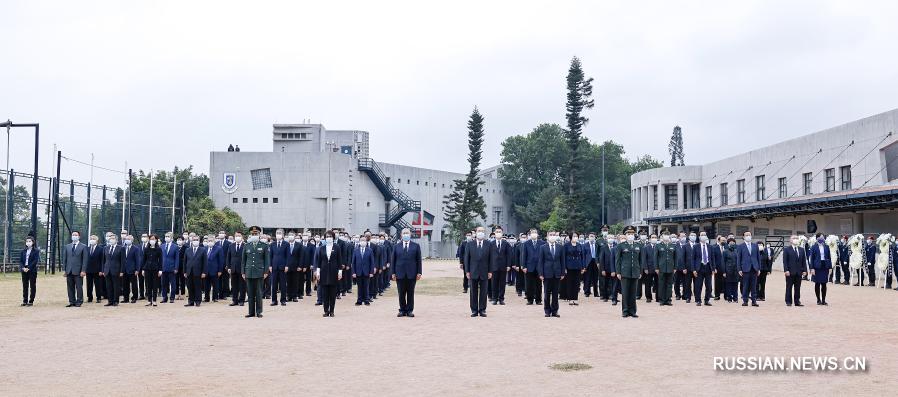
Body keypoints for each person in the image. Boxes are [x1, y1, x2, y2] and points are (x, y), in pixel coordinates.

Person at [464, 226, 494, 317]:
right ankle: (474, 310)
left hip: (485, 271)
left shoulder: (488, 244)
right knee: (473, 292)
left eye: (482, 231)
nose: (481, 232)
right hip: (473, 271)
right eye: (479, 231)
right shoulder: (470, 244)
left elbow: (491, 259)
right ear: (475, 233)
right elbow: (467, 258)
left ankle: (482, 310)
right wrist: (467, 271)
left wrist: (490, 271)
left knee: (484, 292)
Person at [393, 228, 422, 317]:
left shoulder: (416, 246)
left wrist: (419, 272)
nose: (406, 235)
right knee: (401, 293)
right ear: (401, 235)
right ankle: (402, 310)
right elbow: (393, 260)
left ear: (410, 234)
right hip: (399, 273)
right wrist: (393, 273)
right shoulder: (396, 246)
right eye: (404, 233)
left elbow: (419, 260)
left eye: (407, 233)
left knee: (410, 293)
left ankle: (409, 310)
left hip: (412, 273)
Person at [242, 226, 269, 317]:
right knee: (250, 293)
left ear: (259, 234)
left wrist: (265, 272)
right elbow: (243, 260)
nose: (254, 235)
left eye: (256, 234)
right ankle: (251, 312)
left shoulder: (264, 245)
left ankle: (259, 311)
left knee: (258, 293)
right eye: (252, 234)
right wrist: (243, 272)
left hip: (259, 272)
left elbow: (267, 260)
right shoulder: (246, 245)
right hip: (249, 272)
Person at [615, 226, 642, 318]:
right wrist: (618, 272)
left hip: (635, 271)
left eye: (632, 234)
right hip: (624, 272)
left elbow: (641, 260)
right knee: (625, 292)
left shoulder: (638, 245)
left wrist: (640, 272)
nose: (630, 235)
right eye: (628, 234)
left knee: (633, 293)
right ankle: (625, 311)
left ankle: (633, 311)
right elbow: (618, 260)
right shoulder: (621, 246)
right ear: (625, 235)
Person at [538, 231, 566, 317]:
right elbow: (540, 261)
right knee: (547, 293)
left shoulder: (560, 247)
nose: (552, 236)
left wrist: (562, 273)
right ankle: (547, 311)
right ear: (547, 236)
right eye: (551, 235)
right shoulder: (543, 247)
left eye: (554, 235)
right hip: (547, 273)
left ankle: (555, 311)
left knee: (555, 294)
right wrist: (541, 273)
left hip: (557, 273)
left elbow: (562, 261)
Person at [316, 231, 342, 317]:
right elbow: (319, 261)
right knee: (325, 293)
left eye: (330, 236)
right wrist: (318, 272)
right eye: (327, 236)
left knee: (332, 293)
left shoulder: (337, 247)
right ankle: (326, 310)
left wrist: (340, 271)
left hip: (333, 272)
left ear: (333, 237)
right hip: (323, 272)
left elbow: (339, 261)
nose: (329, 238)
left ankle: (332, 311)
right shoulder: (322, 248)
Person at [63, 231, 88, 307]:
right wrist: (65, 270)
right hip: (69, 270)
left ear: (79, 237)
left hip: (78, 271)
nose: (74, 236)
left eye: (76, 235)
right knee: (70, 287)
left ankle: (79, 301)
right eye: (73, 235)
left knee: (79, 286)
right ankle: (71, 301)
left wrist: (83, 270)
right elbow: (65, 259)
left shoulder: (83, 246)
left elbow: (85, 260)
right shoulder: (67, 246)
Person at [736, 231, 761, 307]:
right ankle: (745, 301)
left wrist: (759, 268)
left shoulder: (755, 246)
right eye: (746, 235)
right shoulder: (740, 246)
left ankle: (754, 301)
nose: (748, 236)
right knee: (745, 285)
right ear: (743, 237)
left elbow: (758, 258)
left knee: (754, 286)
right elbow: (739, 259)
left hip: (754, 268)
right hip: (745, 269)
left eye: (749, 235)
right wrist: (739, 269)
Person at [183, 234, 207, 307]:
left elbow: (205, 262)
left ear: (199, 241)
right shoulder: (187, 250)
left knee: (198, 287)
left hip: (198, 272)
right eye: (194, 240)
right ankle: (191, 301)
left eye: (197, 240)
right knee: (190, 287)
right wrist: (184, 271)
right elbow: (185, 261)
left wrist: (204, 272)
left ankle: (198, 301)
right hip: (189, 271)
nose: (195, 241)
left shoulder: (202, 250)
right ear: (191, 241)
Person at [691, 232, 715, 306]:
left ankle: (707, 300)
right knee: (698, 285)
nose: (704, 236)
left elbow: (712, 258)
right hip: (699, 267)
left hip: (708, 267)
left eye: (705, 235)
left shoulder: (710, 247)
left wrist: (713, 269)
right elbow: (692, 259)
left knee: (709, 286)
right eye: (702, 235)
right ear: (699, 237)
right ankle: (698, 300)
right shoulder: (695, 246)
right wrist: (694, 269)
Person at [520, 229, 543, 305]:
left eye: (535, 232)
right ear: (530, 234)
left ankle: (538, 300)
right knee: (529, 284)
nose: (534, 234)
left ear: (537, 234)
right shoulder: (526, 243)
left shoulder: (542, 243)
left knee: (538, 284)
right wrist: (524, 266)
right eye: (532, 233)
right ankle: (530, 300)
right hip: (529, 266)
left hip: (539, 267)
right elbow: (524, 255)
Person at [782, 235, 807, 307]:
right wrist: (786, 270)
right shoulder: (787, 249)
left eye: (796, 238)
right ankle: (788, 301)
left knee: (798, 287)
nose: (795, 239)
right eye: (794, 238)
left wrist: (804, 270)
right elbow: (785, 261)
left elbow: (803, 261)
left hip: (799, 272)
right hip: (790, 272)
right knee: (789, 287)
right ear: (790, 240)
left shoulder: (801, 249)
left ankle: (797, 301)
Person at [351, 235, 375, 306]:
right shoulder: (356, 250)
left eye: (364, 241)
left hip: (367, 272)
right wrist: (353, 272)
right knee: (359, 286)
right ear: (359, 241)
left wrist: (371, 272)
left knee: (366, 286)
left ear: (366, 242)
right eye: (361, 240)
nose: (363, 242)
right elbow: (353, 262)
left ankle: (366, 300)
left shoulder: (369, 250)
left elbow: (372, 262)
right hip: (358, 272)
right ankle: (359, 300)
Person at [491, 227, 512, 306]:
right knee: (494, 283)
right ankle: (494, 299)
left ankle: (501, 299)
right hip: (494, 266)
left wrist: (508, 265)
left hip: (503, 266)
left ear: (502, 233)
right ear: (494, 233)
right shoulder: (491, 243)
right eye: (497, 231)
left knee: (502, 284)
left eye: (500, 231)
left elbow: (509, 255)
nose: (498, 233)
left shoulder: (506, 243)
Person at [563, 232, 585, 306]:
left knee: (576, 283)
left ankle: (575, 298)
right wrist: (564, 267)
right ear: (570, 237)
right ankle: (570, 298)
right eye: (574, 236)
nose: (575, 237)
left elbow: (582, 256)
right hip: (569, 266)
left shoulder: (579, 245)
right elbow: (564, 257)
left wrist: (583, 267)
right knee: (570, 283)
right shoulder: (566, 245)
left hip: (578, 266)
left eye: (576, 236)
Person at [809, 234, 832, 305]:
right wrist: (812, 268)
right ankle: (818, 299)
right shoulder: (813, 247)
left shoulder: (826, 246)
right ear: (817, 238)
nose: (822, 239)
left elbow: (829, 257)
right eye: (821, 237)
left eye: (823, 237)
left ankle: (824, 300)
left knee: (824, 284)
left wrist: (830, 267)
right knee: (817, 283)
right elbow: (811, 258)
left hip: (824, 266)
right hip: (817, 267)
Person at [655, 231, 676, 306]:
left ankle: (668, 300)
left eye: (667, 235)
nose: (666, 236)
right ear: (662, 236)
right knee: (661, 284)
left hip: (670, 267)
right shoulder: (658, 246)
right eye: (665, 235)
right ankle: (662, 300)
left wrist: (675, 267)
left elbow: (675, 257)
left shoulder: (673, 245)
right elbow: (656, 258)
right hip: (661, 268)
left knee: (669, 284)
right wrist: (656, 267)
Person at [102, 234, 124, 306]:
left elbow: (122, 261)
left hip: (116, 270)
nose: (111, 239)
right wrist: (103, 270)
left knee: (116, 286)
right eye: (110, 238)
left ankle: (115, 301)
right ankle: (110, 301)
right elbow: (103, 260)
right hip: (107, 270)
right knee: (108, 286)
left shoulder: (121, 248)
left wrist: (121, 271)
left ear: (116, 240)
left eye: (113, 238)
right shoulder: (106, 248)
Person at [269, 229, 289, 306]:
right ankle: (274, 300)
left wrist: (287, 265)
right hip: (274, 267)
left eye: (280, 233)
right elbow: (270, 256)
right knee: (274, 285)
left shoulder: (286, 244)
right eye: (277, 233)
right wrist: (270, 265)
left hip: (283, 267)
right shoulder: (272, 244)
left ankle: (283, 300)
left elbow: (288, 256)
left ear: (283, 235)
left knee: (283, 284)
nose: (278, 234)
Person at [142, 235, 163, 306]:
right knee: (148, 285)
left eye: (153, 239)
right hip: (147, 269)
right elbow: (144, 260)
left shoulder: (159, 249)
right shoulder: (146, 249)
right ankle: (149, 300)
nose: (152, 240)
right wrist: (143, 269)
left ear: (156, 240)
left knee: (155, 285)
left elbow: (161, 260)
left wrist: (160, 270)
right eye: (151, 239)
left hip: (155, 269)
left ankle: (154, 300)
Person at [227, 231, 247, 306]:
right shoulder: (231, 245)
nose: (237, 237)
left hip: (242, 269)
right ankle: (234, 300)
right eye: (236, 236)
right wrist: (228, 267)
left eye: (239, 236)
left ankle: (241, 300)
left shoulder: (245, 245)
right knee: (234, 285)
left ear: (242, 237)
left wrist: (245, 269)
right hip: (233, 268)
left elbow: (246, 258)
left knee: (242, 285)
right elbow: (228, 257)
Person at [85, 235, 105, 303]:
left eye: (93, 239)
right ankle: (89, 297)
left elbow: (102, 260)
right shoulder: (87, 248)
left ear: (97, 241)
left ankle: (98, 297)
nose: (92, 240)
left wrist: (101, 270)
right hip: (88, 270)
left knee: (98, 285)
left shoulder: (100, 249)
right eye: (91, 239)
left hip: (97, 270)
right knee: (89, 285)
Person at [203, 235, 224, 302]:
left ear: (214, 241)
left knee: (215, 285)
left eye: (211, 241)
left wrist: (220, 270)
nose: (210, 242)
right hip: (206, 270)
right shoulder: (204, 248)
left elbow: (221, 260)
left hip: (215, 270)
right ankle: (206, 298)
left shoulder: (218, 248)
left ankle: (215, 298)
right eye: (209, 241)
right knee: (206, 285)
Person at [20, 236, 39, 306]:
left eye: (29, 241)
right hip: (24, 270)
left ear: (33, 242)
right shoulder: (23, 251)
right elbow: (21, 261)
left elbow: (35, 261)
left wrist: (29, 268)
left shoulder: (36, 251)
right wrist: (23, 268)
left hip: (32, 270)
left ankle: (31, 301)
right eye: (27, 241)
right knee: (25, 286)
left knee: (32, 285)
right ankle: (25, 301)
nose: (28, 243)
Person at [161, 232, 180, 304]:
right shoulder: (162, 246)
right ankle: (164, 297)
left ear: (171, 238)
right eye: (166, 236)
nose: (167, 238)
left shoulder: (175, 247)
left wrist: (176, 268)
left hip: (172, 268)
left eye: (168, 236)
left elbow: (177, 259)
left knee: (173, 284)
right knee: (164, 284)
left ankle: (172, 298)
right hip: (163, 268)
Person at [122, 235, 141, 303]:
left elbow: (137, 260)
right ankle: (126, 298)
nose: (127, 240)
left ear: (132, 240)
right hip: (124, 270)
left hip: (132, 269)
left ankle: (134, 297)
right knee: (125, 285)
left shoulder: (136, 249)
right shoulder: (123, 248)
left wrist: (137, 269)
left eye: (129, 239)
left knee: (134, 285)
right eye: (126, 239)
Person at [286, 231, 303, 302]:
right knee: (288, 282)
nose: (291, 236)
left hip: (296, 267)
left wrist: (300, 266)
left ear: (295, 236)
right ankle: (288, 296)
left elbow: (301, 256)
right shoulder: (286, 244)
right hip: (287, 267)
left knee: (295, 282)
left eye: (292, 235)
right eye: (289, 235)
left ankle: (295, 296)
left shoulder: (299, 245)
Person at [640, 234, 657, 303]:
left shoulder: (658, 246)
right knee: (648, 284)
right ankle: (648, 297)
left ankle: (658, 297)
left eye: (655, 237)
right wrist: (645, 268)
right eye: (653, 237)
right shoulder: (646, 247)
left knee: (658, 283)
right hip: (648, 268)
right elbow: (644, 259)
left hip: (657, 268)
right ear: (650, 239)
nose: (654, 238)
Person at [582, 232, 600, 298]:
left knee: (595, 278)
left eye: (593, 236)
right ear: (588, 237)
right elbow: (583, 256)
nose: (592, 237)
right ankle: (587, 292)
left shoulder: (597, 245)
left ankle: (596, 293)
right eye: (590, 236)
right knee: (587, 278)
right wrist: (583, 266)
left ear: (595, 237)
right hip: (588, 263)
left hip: (595, 262)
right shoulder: (584, 245)